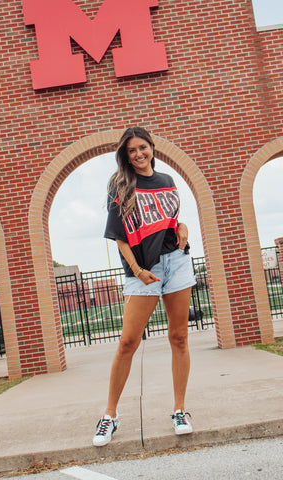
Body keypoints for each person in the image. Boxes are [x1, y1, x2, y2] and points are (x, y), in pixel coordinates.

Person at [93, 126, 196, 447]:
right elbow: (119, 236)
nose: (138, 155)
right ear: (125, 154)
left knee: (179, 336)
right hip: (143, 271)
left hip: (176, 262)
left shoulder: (167, 181)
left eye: (143, 148)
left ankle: (180, 409)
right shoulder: (120, 185)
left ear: (152, 147)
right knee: (127, 342)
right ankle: (110, 415)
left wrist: (183, 225)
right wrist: (137, 270)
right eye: (131, 151)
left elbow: (171, 219)